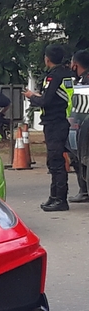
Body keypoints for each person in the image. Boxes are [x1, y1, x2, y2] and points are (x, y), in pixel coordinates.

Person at [24, 44, 75, 212]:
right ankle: (54, 197)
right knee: (55, 160)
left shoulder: (53, 77)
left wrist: (32, 97)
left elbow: (45, 101)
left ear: (47, 59)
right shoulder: (69, 74)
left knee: (56, 161)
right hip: (64, 120)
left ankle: (60, 199)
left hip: (55, 122)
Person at [68, 50, 89, 202]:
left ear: (75, 64)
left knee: (80, 159)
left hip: (82, 129)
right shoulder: (81, 80)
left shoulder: (84, 82)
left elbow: (80, 110)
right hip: (79, 127)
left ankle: (84, 190)